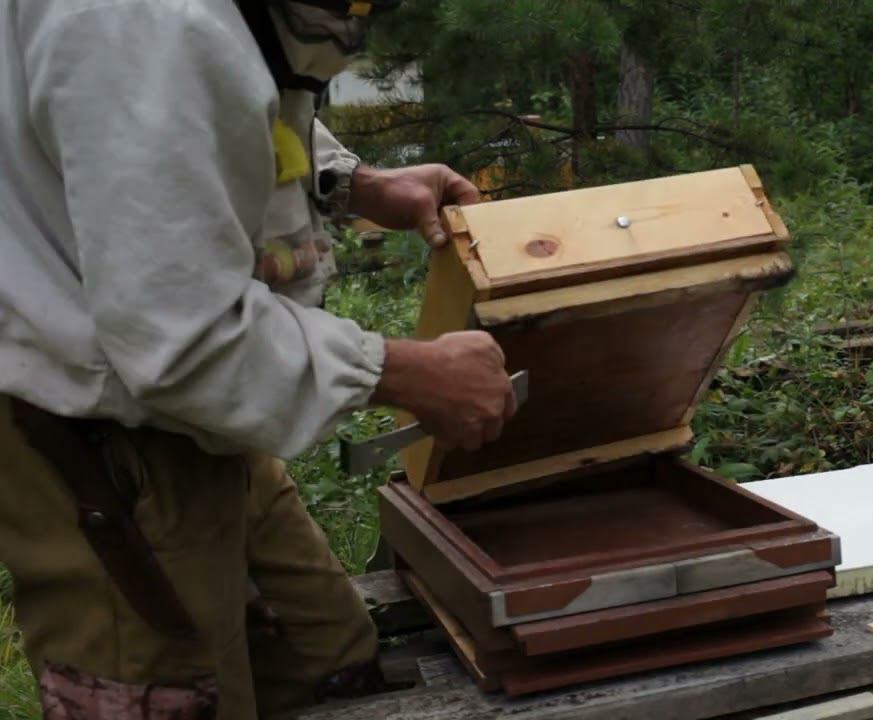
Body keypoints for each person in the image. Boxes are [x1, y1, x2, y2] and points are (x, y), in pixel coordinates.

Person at [0, 0, 518, 717]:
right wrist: (401, 371)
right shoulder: (138, 19)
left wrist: (349, 181)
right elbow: (180, 336)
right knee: (187, 694)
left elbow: (217, 98)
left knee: (325, 666)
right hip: (97, 440)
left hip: (199, 420)